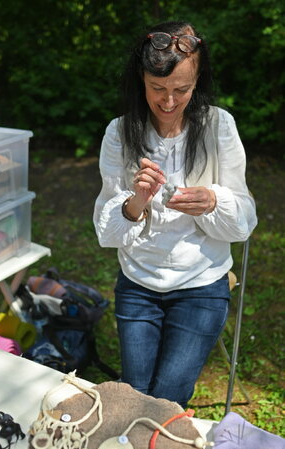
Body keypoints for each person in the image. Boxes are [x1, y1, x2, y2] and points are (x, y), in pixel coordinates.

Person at [93, 20, 257, 408]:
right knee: (135, 392)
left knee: (167, 397)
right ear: (141, 80)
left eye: (181, 89)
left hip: (201, 284)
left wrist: (213, 201)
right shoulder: (120, 133)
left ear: (198, 81)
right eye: (157, 89)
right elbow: (106, 232)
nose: (168, 101)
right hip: (138, 283)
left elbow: (245, 220)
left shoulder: (219, 126)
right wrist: (136, 202)